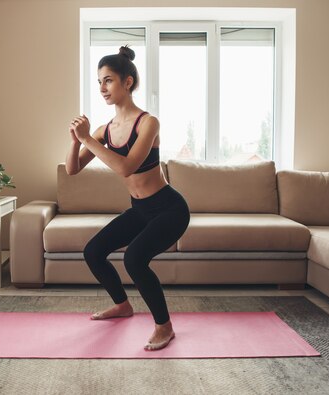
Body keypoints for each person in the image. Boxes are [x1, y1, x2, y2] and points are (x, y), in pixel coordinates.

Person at [65, 45, 190, 351]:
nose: (102, 88)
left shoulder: (148, 123)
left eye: (108, 80)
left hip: (170, 209)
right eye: (99, 82)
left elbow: (126, 166)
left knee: (135, 259)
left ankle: (165, 326)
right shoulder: (104, 130)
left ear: (128, 82)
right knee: (94, 251)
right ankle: (122, 305)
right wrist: (75, 142)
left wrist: (87, 140)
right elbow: (72, 169)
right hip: (141, 209)